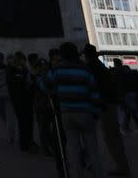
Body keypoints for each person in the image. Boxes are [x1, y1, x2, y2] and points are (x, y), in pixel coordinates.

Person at [42, 41, 102, 178]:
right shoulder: (85, 69)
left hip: (67, 113)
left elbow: (45, 85)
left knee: (73, 151)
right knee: (93, 150)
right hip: (86, 112)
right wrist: (96, 112)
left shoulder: (58, 69)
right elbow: (94, 93)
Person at [83, 44, 131, 177]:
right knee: (113, 138)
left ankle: (122, 168)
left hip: (105, 106)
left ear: (86, 56)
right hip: (110, 104)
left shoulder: (93, 68)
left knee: (111, 138)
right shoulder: (100, 66)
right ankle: (122, 166)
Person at [7, 51, 35, 152]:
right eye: (23, 60)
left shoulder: (24, 70)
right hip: (19, 100)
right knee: (23, 122)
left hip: (27, 99)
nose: (24, 62)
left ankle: (29, 141)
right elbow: (15, 86)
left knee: (29, 121)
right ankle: (25, 144)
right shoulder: (12, 71)